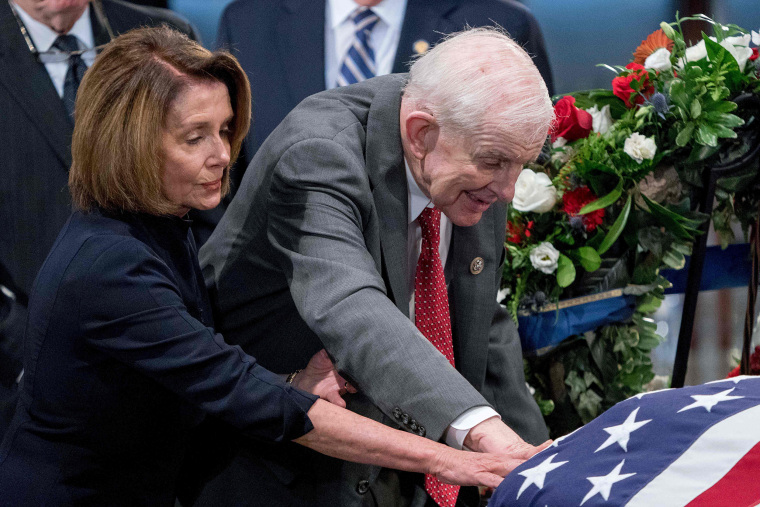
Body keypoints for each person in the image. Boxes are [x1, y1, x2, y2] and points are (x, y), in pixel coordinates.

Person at [0, 26, 536, 506]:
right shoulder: (109, 267)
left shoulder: (163, 224)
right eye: (195, 137)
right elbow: (251, 394)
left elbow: (193, 376)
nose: (223, 154)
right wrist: (450, 457)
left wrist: (292, 379)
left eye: (225, 129)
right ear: (132, 145)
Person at [193, 27, 553, 506]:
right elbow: (352, 306)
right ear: (421, 134)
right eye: (496, 162)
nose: (508, 190)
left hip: (399, 470)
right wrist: (480, 432)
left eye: (522, 165)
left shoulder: (472, 150)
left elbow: (478, 321)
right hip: (278, 474)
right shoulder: (318, 153)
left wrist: (543, 471)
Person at [0, 0, 203, 440]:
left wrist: (190, 331)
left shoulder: (166, 35)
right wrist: (26, 346)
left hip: (170, 376)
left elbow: (211, 203)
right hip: (24, 391)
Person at [216, 0, 555, 180]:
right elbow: (222, 172)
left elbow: (532, 169)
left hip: (437, 282)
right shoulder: (249, 21)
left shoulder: (498, 25)